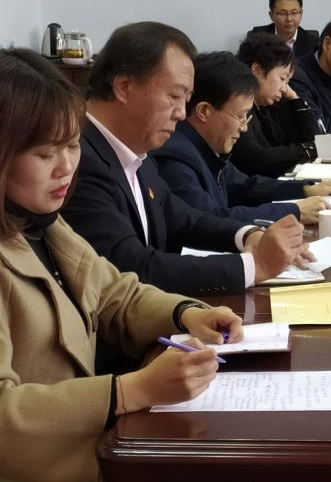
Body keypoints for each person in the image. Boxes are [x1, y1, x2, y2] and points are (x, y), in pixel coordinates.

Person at [0, 48, 245, 482]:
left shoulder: (43, 223)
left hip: (94, 451)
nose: (66, 167)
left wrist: (186, 312)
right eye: (45, 153)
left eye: (72, 145)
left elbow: (115, 293)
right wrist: (131, 391)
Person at [61, 22, 312, 297]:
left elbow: (181, 217)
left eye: (186, 98)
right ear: (124, 86)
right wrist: (255, 266)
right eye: (174, 96)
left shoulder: (136, 150)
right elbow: (132, 267)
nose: (182, 113)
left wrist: (247, 235)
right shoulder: (75, 159)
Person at [152, 51, 331, 224]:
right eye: (240, 116)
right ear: (204, 111)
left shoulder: (207, 147)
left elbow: (245, 186)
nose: (244, 127)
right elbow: (209, 220)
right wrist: (293, 211)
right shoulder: (176, 159)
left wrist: (304, 189)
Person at [231, 32, 320, 178]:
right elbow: (255, 158)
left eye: (288, 82)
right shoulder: (238, 107)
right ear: (257, 70)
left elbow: (313, 139)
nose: (284, 88)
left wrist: (295, 99)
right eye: (282, 78)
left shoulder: (273, 104)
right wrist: (305, 150)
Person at [247, 0, 319, 56]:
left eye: (294, 13)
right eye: (282, 13)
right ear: (271, 15)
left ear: (301, 14)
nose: (289, 19)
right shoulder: (257, 37)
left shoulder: (312, 42)